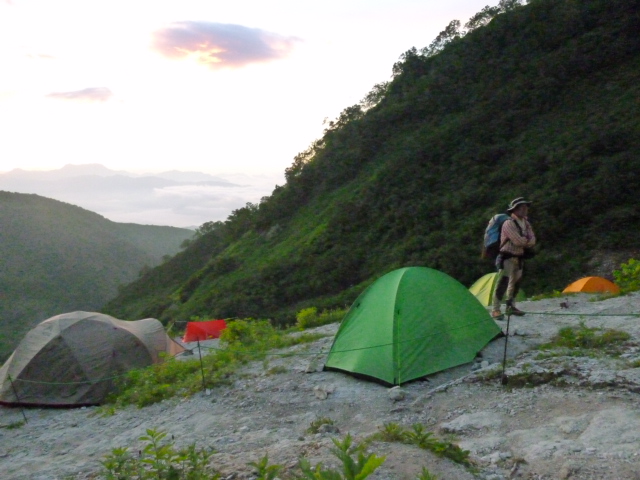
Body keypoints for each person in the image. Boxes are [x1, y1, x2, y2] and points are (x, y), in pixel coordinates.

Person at [491, 197, 536, 320]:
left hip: (519, 257)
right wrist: (527, 242)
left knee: (515, 283)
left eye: (526, 207)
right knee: (503, 282)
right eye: (522, 207)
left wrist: (526, 241)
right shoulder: (508, 223)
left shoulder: (526, 223)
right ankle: (495, 309)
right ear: (514, 210)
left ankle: (511, 306)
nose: (525, 209)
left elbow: (532, 239)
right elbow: (518, 241)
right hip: (507, 256)